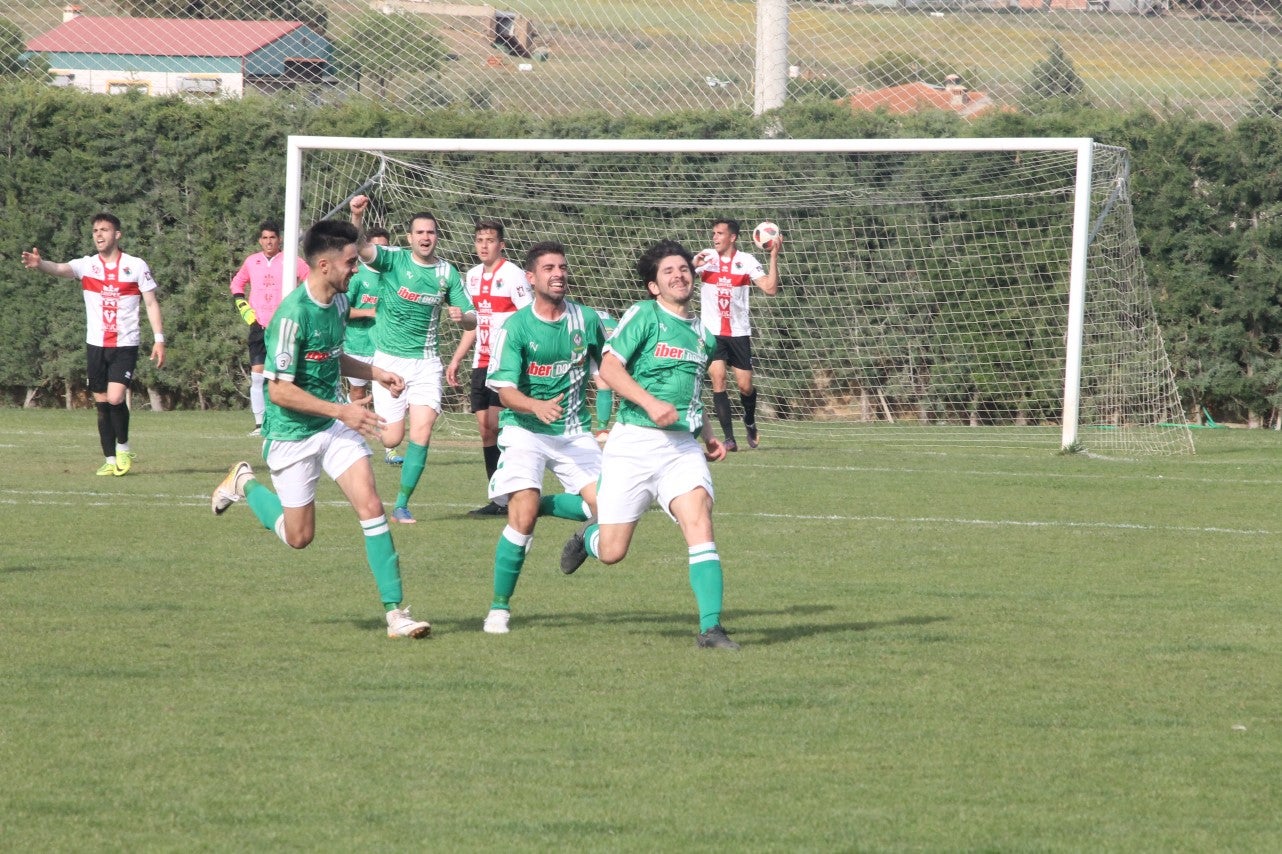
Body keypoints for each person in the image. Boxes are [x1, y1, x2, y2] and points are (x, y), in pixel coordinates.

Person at [210, 218, 431, 639]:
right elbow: (279, 391)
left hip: (333, 427)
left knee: (370, 506)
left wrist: (377, 371)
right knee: (299, 538)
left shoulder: (340, 303)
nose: (356, 269)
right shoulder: (292, 316)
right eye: (351, 262)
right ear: (325, 264)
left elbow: (331, 356)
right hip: (292, 432)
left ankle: (396, 613)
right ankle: (244, 484)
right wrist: (342, 410)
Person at [560, 239, 738, 650]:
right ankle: (587, 537)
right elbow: (608, 367)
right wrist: (648, 401)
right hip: (634, 442)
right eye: (668, 272)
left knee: (700, 521)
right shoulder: (644, 315)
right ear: (653, 286)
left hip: (681, 448)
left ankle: (711, 629)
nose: (678, 275)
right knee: (612, 552)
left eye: (682, 269)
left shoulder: (703, 335)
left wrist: (708, 435)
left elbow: (691, 394)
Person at [481, 241, 606, 635]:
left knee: (613, 513)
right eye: (549, 268)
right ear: (531, 278)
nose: (558, 273)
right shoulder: (515, 326)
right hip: (525, 430)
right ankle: (499, 609)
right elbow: (503, 391)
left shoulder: (586, 320)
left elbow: (609, 370)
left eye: (563, 267)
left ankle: (575, 532)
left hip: (573, 432)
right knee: (521, 515)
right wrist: (534, 406)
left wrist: (610, 420)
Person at [349, 195, 477, 524]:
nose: (425, 237)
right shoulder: (393, 260)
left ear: (437, 236)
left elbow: (473, 319)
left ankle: (402, 504)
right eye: (419, 232)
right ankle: (365, 417)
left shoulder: (447, 273)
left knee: (423, 430)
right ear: (409, 238)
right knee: (392, 438)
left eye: (431, 232)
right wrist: (356, 216)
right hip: (389, 361)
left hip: (426, 363)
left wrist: (461, 316)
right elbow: (360, 247)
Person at [21, 213, 165, 476]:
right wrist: (40, 264)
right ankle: (109, 460)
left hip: (125, 344)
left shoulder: (136, 265)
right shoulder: (87, 265)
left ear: (117, 235)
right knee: (101, 403)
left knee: (115, 397)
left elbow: (151, 303)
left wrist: (159, 339)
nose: (99, 235)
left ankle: (123, 447)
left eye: (105, 230)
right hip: (95, 345)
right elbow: (61, 268)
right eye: (95, 230)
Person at [446, 219, 533, 517]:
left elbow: (528, 320)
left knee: (500, 428)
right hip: (480, 363)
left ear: (501, 245)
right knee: (486, 431)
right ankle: (500, 500)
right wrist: (457, 358)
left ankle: (512, 496)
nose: (484, 245)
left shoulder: (514, 275)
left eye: (490, 240)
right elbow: (474, 324)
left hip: (506, 365)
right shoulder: (470, 277)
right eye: (480, 240)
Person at [693, 218, 781, 451]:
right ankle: (729, 439)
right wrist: (693, 265)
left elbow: (770, 289)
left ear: (732, 237)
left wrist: (773, 256)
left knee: (745, 387)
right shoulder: (706, 258)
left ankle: (750, 421)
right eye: (713, 233)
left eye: (719, 233)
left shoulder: (747, 261)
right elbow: (682, 281)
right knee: (718, 380)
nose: (714, 237)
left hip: (739, 333)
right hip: (712, 333)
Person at [230, 220, 311, 437]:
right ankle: (259, 424)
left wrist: (298, 304)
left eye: (272, 237)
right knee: (257, 375)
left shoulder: (292, 260)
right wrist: (244, 308)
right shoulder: (251, 261)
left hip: (283, 325)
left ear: (279, 239)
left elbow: (310, 280)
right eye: (265, 238)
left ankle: (288, 418)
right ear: (260, 240)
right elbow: (236, 285)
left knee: (284, 374)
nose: (268, 242)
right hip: (259, 325)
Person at [342, 226, 405, 466]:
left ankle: (390, 448)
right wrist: (370, 312)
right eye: (377, 246)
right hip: (357, 346)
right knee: (359, 394)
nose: (382, 250)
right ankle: (354, 440)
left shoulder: (392, 275)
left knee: (389, 395)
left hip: (385, 348)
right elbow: (343, 310)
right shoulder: (357, 276)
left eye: (385, 246)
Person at [591, 307, 619, 443]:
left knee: (604, 384)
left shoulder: (582, 313)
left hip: (599, 341)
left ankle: (602, 430)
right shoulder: (606, 316)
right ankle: (602, 429)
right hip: (615, 342)